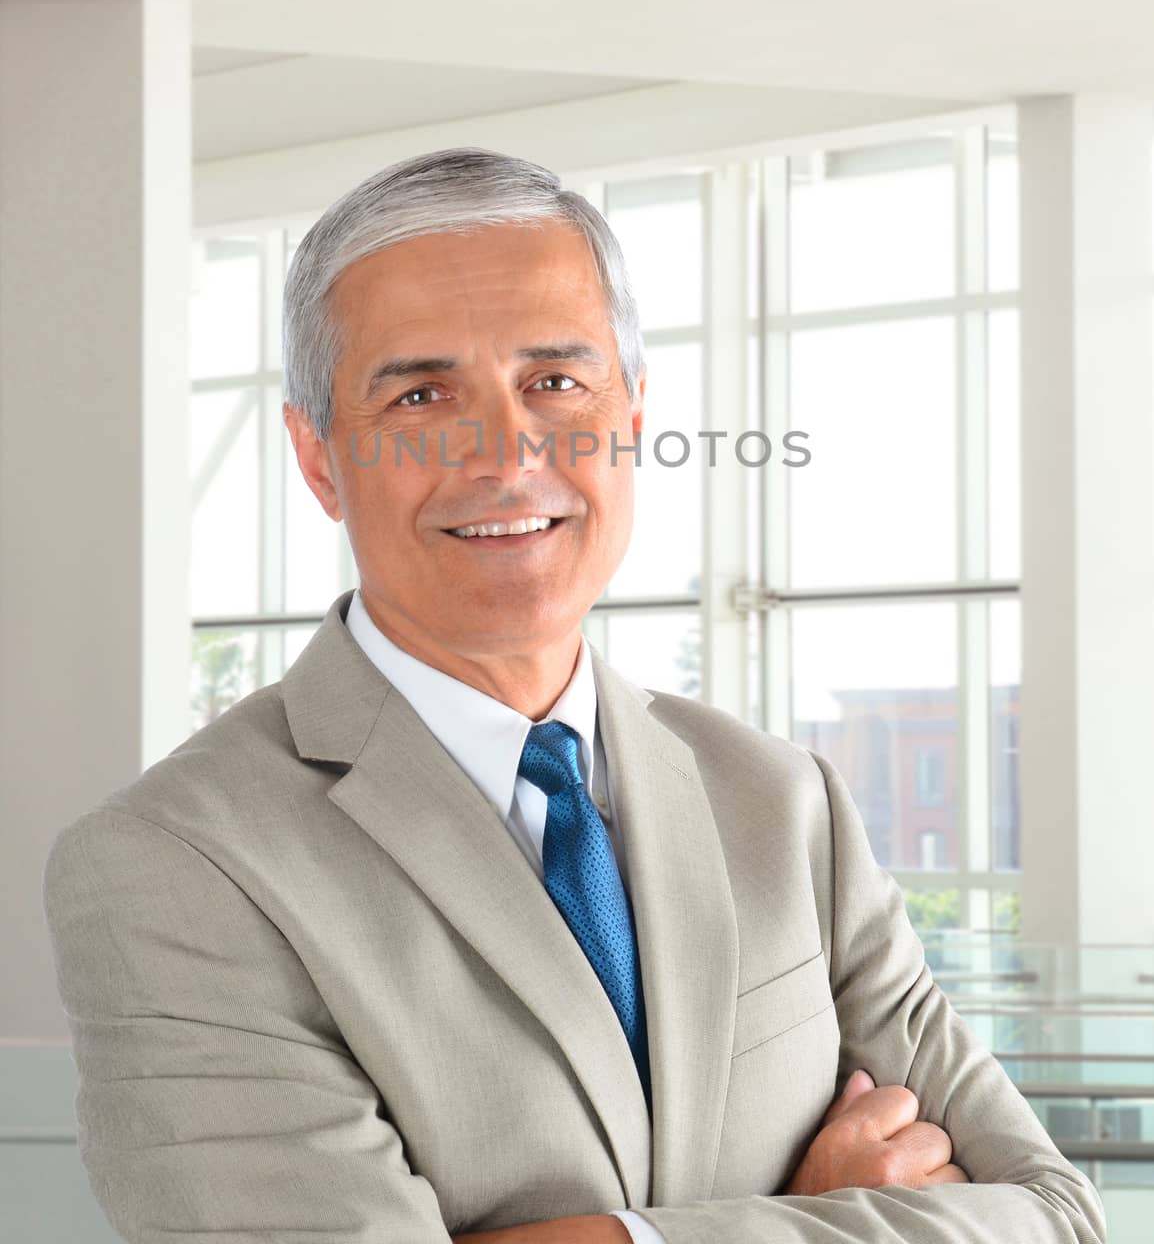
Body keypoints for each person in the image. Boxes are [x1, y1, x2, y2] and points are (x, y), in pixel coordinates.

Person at [43, 148, 1104, 1244]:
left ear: (631, 415)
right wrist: (798, 1214)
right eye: (419, 392)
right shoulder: (176, 865)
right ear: (318, 459)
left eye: (554, 381)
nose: (505, 452)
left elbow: (1056, 1216)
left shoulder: (783, 806)